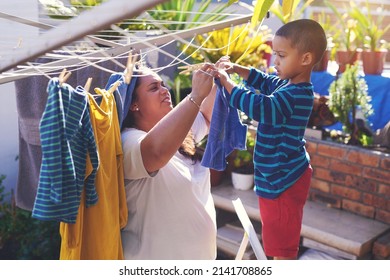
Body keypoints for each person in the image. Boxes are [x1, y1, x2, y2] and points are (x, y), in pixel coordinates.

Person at [215, 19, 327, 260]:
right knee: (275, 241)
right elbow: (264, 81)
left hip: (284, 182)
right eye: (275, 54)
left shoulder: (296, 95)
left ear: (305, 59)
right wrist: (236, 68)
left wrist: (228, 84)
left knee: (282, 250)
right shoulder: (287, 85)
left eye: (281, 55)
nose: (274, 61)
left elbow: (263, 108)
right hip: (277, 178)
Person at [120, 63, 218, 259]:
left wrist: (217, 78)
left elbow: (206, 116)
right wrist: (195, 95)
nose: (165, 90)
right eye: (154, 88)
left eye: (163, 85)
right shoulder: (127, 141)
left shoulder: (178, 134)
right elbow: (156, 152)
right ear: (134, 105)